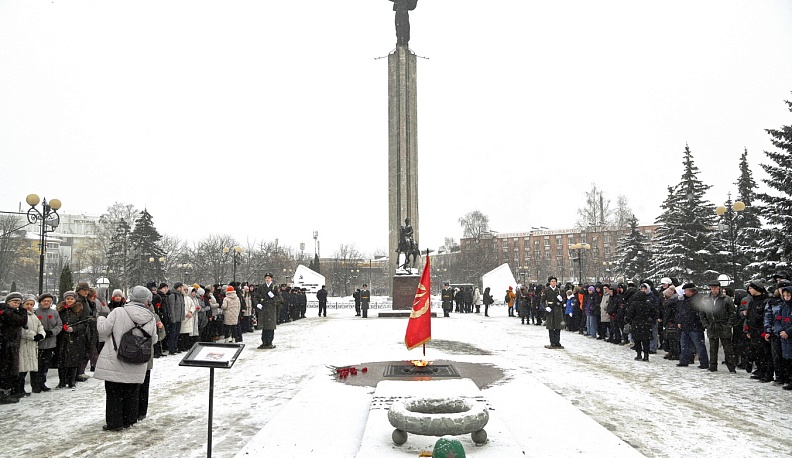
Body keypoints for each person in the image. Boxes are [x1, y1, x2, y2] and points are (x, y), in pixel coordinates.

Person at [94, 285, 158, 431]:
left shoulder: (118, 311)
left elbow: (103, 330)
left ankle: (115, 423)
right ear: (146, 300)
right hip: (137, 359)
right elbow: (153, 339)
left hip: (116, 357)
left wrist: (101, 318)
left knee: (114, 392)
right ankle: (129, 420)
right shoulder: (150, 317)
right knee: (132, 391)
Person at [700, 279, 737, 372]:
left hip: (723, 325)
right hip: (712, 325)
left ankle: (731, 366)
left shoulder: (726, 299)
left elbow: (732, 313)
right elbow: (702, 313)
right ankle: (713, 366)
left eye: (715, 288)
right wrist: (706, 324)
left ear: (719, 288)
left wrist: (728, 325)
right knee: (713, 348)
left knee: (727, 348)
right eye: (712, 288)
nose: (713, 290)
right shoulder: (706, 299)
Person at [56, 290, 90, 388]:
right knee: (61, 360)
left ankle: (72, 381)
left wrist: (74, 329)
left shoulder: (79, 310)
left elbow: (84, 324)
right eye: (68, 299)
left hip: (75, 338)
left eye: (71, 299)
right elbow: (57, 322)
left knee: (73, 360)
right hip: (62, 338)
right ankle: (62, 381)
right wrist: (62, 328)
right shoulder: (61, 310)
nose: (69, 300)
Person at [15, 295, 45, 397]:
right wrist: (33, 336)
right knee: (21, 369)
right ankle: (19, 389)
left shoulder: (33, 315)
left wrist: (41, 334)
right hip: (23, 344)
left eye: (31, 304)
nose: (29, 306)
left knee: (29, 367)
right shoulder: (21, 315)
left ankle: (27, 388)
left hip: (32, 345)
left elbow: (40, 326)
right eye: (27, 304)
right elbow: (22, 329)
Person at [1, 292, 28, 403]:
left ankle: (8, 391)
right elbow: (22, 320)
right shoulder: (6, 312)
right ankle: (3, 393)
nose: (16, 304)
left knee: (11, 370)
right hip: (6, 345)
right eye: (14, 302)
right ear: (8, 302)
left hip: (12, 344)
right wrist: (23, 310)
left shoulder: (11, 312)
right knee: (5, 370)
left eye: (18, 303)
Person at [32, 293, 62, 392]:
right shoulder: (35, 312)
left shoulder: (54, 313)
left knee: (45, 365)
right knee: (37, 365)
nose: (46, 303)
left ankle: (42, 383)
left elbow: (59, 325)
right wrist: (40, 333)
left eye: (48, 301)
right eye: (44, 301)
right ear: (40, 302)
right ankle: (35, 384)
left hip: (50, 343)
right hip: (39, 343)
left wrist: (52, 332)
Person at [675, 283, 709, 369]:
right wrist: (680, 321)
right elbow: (681, 312)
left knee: (699, 346)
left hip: (695, 326)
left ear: (691, 291)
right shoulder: (685, 299)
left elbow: (702, 313)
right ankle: (684, 361)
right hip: (686, 326)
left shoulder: (699, 299)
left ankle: (704, 363)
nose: (685, 292)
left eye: (686, 291)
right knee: (684, 345)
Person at [626, 291, 655, 361]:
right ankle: (646, 355)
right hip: (646, 325)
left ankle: (639, 354)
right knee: (646, 341)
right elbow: (654, 313)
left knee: (637, 340)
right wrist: (650, 319)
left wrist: (628, 320)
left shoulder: (634, 304)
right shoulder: (649, 304)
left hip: (636, 324)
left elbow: (630, 314)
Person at [255, 273, 280, 349]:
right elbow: (256, 296)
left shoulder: (274, 287)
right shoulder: (261, 287)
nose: (267, 279)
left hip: (271, 309)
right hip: (264, 308)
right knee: (264, 327)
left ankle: (269, 342)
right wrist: (257, 304)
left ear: (271, 279)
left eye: (269, 278)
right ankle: (264, 342)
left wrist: (273, 296)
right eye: (266, 278)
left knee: (270, 327)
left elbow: (279, 299)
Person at [540, 277, 565, 349]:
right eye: (552, 281)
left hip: (558, 309)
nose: (553, 282)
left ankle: (557, 342)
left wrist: (561, 300)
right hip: (550, 310)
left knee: (558, 327)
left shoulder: (559, 290)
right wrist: (546, 307)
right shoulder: (546, 290)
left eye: (555, 281)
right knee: (551, 327)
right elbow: (542, 301)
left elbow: (563, 302)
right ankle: (552, 342)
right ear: (550, 282)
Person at [165, 282, 185, 355]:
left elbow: (183, 306)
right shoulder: (173, 295)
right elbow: (171, 308)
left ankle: (175, 347)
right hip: (174, 318)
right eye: (180, 287)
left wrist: (182, 316)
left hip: (179, 318)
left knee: (177, 334)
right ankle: (171, 349)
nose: (181, 288)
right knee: (172, 334)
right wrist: (173, 318)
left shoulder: (181, 295)